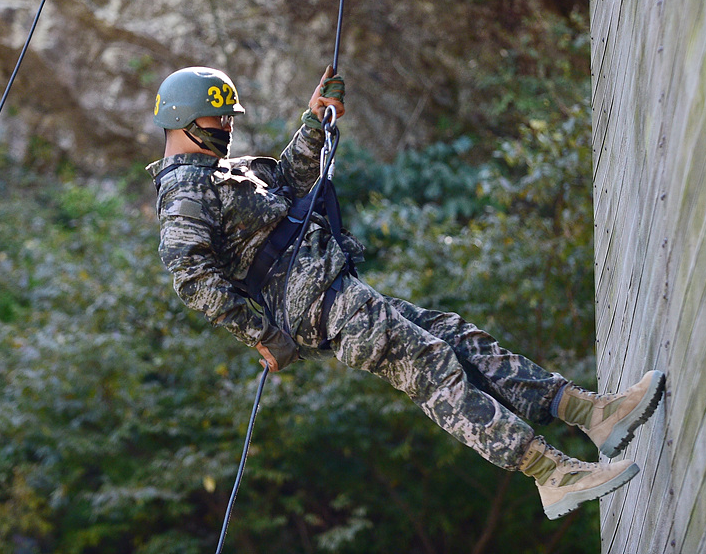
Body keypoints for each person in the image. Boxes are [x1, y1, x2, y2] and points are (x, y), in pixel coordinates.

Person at [146, 65, 665, 520]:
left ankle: (589, 414)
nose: (229, 126)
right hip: (318, 308)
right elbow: (193, 279)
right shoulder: (182, 193)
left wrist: (314, 121)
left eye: (230, 117)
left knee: (457, 338)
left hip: (333, 289)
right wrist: (261, 335)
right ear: (185, 121)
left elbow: (287, 183)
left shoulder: (217, 173)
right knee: (434, 367)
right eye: (220, 119)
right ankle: (549, 472)